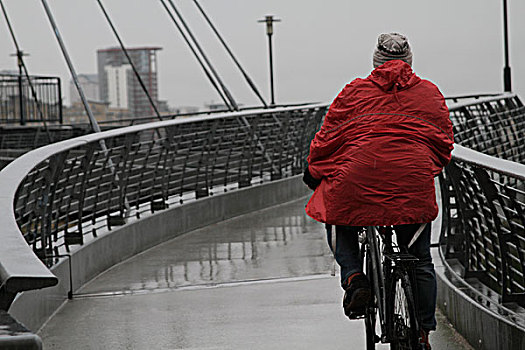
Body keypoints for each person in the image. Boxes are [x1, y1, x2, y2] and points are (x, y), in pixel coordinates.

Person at [303, 33, 454, 350]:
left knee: (337, 216)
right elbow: (443, 144)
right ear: (410, 62)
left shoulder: (354, 92)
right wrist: (427, 168)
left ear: (376, 62)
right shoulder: (429, 93)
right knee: (420, 259)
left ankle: (355, 276)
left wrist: (314, 171)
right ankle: (424, 332)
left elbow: (328, 137)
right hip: (412, 184)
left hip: (359, 181)